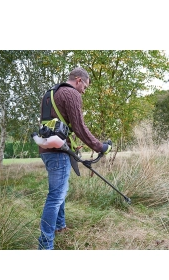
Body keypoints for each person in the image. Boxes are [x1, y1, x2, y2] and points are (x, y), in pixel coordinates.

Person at [38, 67, 111, 250]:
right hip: (58, 153)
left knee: (59, 191)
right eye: (84, 87)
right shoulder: (71, 94)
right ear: (78, 80)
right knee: (55, 197)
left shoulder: (50, 94)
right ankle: (45, 245)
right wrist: (99, 146)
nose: (83, 91)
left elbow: (57, 124)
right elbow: (79, 126)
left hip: (46, 150)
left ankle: (60, 226)